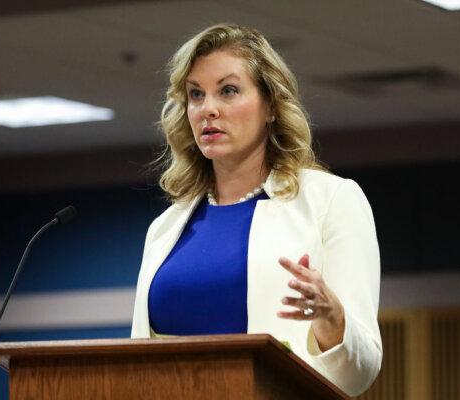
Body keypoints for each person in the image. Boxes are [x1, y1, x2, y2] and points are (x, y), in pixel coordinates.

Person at [131, 23, 382, 396]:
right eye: (196, 95)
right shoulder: (165, 227)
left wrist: (334, 319)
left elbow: (361, 371)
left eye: (228, 91)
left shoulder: (331, 200)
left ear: (271, 106)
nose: (208, 109)